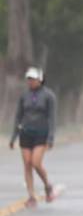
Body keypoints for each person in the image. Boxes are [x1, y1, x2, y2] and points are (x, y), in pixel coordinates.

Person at [8, 67, 57, 207]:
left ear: (40, 79)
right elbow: (18, 117)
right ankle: (31, 196)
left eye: (33, 79)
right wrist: (13, 137)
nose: (30, 81)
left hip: (41, 134)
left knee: (36, 163)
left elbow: (52, 118)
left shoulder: (49, 96)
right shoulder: (24, 96)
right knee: (27, 164)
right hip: (25, 133)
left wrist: (51, 138)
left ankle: (47, 185)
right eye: (28, 79)